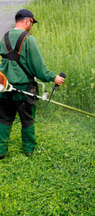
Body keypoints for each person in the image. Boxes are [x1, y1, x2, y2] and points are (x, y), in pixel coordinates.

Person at [0, 9, 65, 159]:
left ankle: (1, 151)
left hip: (4, 87)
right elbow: (39, 68)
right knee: (27, 119)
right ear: (28, 21)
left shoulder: (4, 37)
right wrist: (53, 77)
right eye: (32, 23)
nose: (31, 26)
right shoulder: (29, 39)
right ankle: (28, 150)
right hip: (24, 89)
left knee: (4, 119)